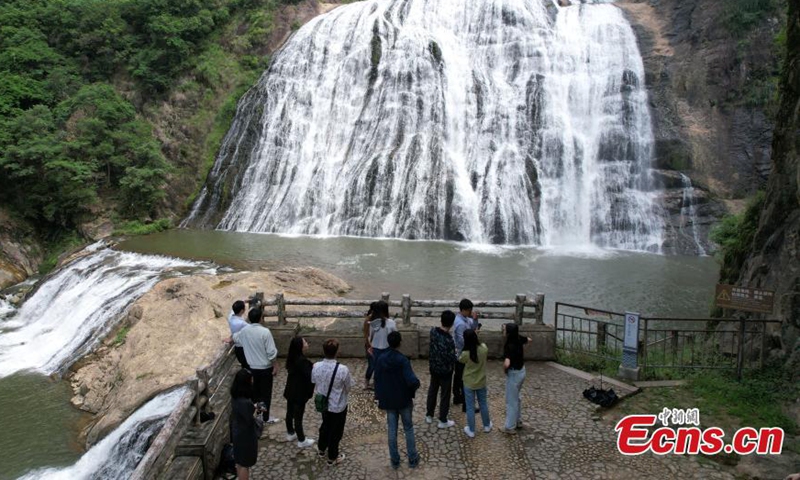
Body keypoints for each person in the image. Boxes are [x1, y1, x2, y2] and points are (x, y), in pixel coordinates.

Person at [375, 331, 421, 469]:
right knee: (408, 428)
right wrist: (416, 386)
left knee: (392, 429)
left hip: (389, 400)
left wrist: (379, 396)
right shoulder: (403, 360)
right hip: (404, 399)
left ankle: (395, 460)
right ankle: (412, 458)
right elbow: (412, 381)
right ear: (400, 343)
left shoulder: (381, 359)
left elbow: (377, 379)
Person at [312, 338, 354, 466]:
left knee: (325, 426)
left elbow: (314, 381)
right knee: (335, 431)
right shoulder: (343, 369)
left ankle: (321, 449)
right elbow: (348, 387)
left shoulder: (316, 366)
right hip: (338, 405)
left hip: (324, 404)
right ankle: (332, 457)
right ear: (337, 352)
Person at [234, 308, 279, 424]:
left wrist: (230, 339)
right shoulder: (265, 332)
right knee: (265, 393)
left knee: (256, 393)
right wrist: (275, 364)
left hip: (251, 368)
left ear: (249, 318)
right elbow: (271, 352)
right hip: (265, 368)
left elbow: (236, 338)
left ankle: (258, 415)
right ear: (260, 318)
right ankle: (265, 417)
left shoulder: (244, 331)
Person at [425, 310, 457, 428]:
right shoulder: (449, 340)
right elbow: (451, 358)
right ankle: (442, 420)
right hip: (445, 371)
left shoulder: (433, 331)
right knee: (445, 395)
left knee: (432, 391)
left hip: (434, 367)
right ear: (452, 323)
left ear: (441, 320)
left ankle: (429, 415)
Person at [500, 323, 533, 434]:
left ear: (509, 333)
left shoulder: (509, 345)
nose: (503, 331)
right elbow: (529, 340)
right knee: (517, 398)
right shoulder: (519, 338)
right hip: (522, 371)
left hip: (514, 374)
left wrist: (504, 370)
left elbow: (507, 363)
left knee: (511, 401)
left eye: (504, 330)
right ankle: (518, 421)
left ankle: (509, 427)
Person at [458, 329, 491, 438]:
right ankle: (487, 425)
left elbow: (460, 360)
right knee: (483, 404)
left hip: (469, 382)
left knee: (470, 407)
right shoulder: (484, 349)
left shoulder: (466, 354)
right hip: (481, 381)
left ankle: (471, 430)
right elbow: (482, 345)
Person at [283, 336, 315, 448]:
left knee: (289, 412)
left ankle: (290, 433)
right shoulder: (302, 361)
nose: (306, 343)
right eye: (304, 341)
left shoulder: (292, 358)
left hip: (290, 390)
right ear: (300, 346)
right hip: (299, 393)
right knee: (298, 417)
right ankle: (301, 440)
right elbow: (310, 377)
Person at [230, 369, 259, 480]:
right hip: (245, 435)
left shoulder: (235, 396)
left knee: (239, 462)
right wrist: (256, 410)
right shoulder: (245, 403)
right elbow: (250, 419)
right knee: (244, 464)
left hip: (237, 430)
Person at [452, 298, 480, 411]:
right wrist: (474, 336)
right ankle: (465, 403)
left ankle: (457, 397)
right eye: (469, 310)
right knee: (464, 378)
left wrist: (475, 320)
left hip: (463, 351)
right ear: (463, 310)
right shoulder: (460, 324)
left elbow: (472, 327)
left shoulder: (465, 319)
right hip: (462, 352)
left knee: (458, 376)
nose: (470, 312)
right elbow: (462, 341)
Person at [368, 300, 397, 393]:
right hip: (388, 349)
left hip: (376, 349)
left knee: (377, 371)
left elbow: (370, 337)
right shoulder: (391, 322)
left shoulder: (373, 323)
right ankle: (387, 390)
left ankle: (377, 393)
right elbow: (395, 336)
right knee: (388, 371)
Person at [227, 301, 249, 369]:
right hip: (243, 348)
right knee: (247, 366)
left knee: (244, 365)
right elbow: (252, 329)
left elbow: (232, 311)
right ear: (242, 311)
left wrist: (243, 301)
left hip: (237, 347)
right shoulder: (241, 324)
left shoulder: (230, 318)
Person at [362, 301, 379, 390]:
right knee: (372, 365)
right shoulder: (368, 320)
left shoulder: (377, 319)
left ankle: (375, 382)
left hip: (376, 344)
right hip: (370, 345)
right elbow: (366, 334)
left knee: (376, 365)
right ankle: (367, 382)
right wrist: (370, 345)